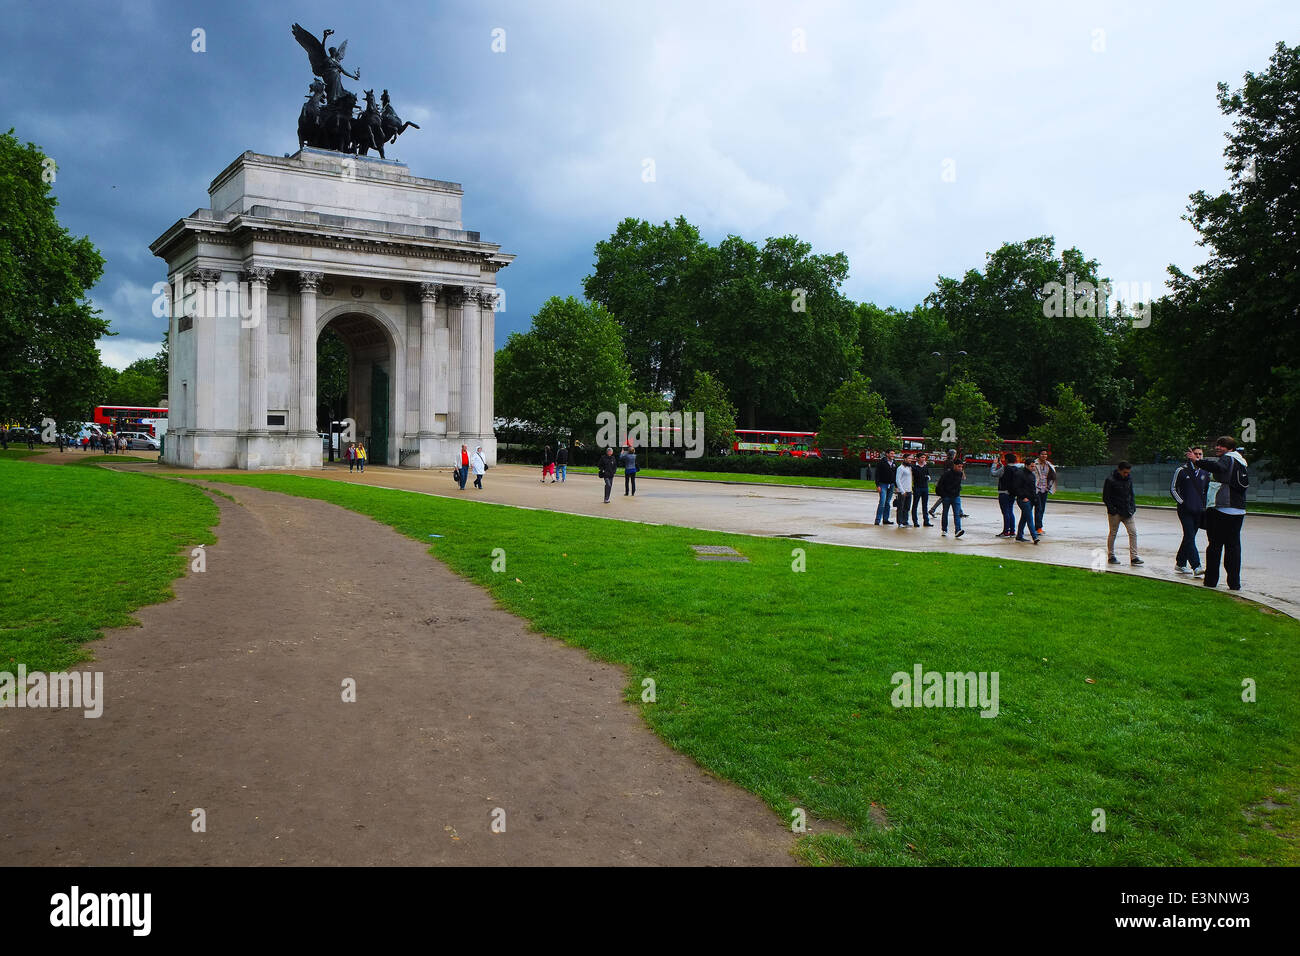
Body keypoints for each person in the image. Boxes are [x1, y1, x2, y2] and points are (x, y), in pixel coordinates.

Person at [1198, 436, 1248, 591]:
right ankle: (1234, 583)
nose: (1218, 448)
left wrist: (1197, 461)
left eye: (1222, 446)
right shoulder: (1241, 461)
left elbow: (1217, 468)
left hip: (1222, 508)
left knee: (1215, 545)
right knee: (1233, 546)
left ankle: (1211, 581)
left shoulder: (1227, 459)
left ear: (1230, 449)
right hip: (1238, 510)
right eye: (1217, 445)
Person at [1171, 445, 1209, 576]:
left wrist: (1205, 506)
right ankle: (1196, 566)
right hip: (1185, 510)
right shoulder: (1181, 470)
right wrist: (1182, 503)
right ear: (1190, 455)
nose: (1198, 456)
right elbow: (1173, 489)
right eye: (1196, 454)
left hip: (1199, 511)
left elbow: (1207, 491)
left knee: (1189, 537)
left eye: (1200, 454)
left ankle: (1180, 563)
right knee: (1189, 536)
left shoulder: (1205, 472)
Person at [1103, 460, 1142, 565]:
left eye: (1128, 472)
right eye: (1124, 472)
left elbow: (1131, 494)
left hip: (1128, 512)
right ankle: (1111, 556)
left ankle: (1134, 557)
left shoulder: (1129, 479)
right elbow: (1106, 497)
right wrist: (1112, 510)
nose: (1126, 474)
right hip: (1115, 513)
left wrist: (1133, 508)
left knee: (1133, 533)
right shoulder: (1110, 480)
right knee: (1113, 533)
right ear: (1119, 470)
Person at [1011, 455, 1040, 544]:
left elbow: (1032, 489)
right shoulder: (1019, 474)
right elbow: (1016, 487)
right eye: (1032, 466)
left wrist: (1035, 499)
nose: (1033, 468)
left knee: (1024, 517)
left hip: (1030, 499)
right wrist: (1023, 497)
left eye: (1034, 466)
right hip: (1023, 500)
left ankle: (1019, 535)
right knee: (1029, 518)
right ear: (1026, 465)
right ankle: (1034, 536)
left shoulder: (1032, 475)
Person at [935, 459, 966, 537]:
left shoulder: (960, 473)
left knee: (957, 514)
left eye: (961, 467)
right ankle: (944, 529)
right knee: (945, 513)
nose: (960, 468)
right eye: (959, 466)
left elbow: (962, 479)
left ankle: (958, 530)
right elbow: (940, 484)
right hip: (947, 496)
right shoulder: (947, 474)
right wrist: (943, 495)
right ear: (954, 465)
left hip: (956, 496)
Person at [1030, 449, 1057, 535]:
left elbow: (1052, 476)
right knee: (1038, 508)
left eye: (1045, 454)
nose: (1044, 456)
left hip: (1044, 489)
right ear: (1039, 455)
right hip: (1036, 489)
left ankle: (1038, 527)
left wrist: (1049, 486)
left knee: (1042, 509)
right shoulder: (1034, 464)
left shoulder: (1049, 464)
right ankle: (1038, 528)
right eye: (1042, 454)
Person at [990, 453, 1016, 537]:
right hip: (1012, 493)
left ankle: (1006, 531)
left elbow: (994, 473)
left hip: (1003, 492)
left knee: (1005, 512)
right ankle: (1012, 531)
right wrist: (1001, 465)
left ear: (1007, 460)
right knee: (1010, 511)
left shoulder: (1004, 468)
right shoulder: (1016, 469)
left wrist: (994, 464)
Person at [873, 450, 898, 525]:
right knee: (882, 502)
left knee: (887, 502)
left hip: (891, 485)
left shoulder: (894, 463)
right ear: (887, 454)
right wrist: (877, 485)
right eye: (891, 453)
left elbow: (895, 475)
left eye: (894, 453)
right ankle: (877, 520)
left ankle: (886, 519)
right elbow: (877, 474)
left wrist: (896, 486)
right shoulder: (881, 462)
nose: (893, 455)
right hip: (883, 484)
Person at [910, 453, 933, 527]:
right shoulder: (914, 467)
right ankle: (915, 521)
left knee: (925, 505)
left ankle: (926, 521)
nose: (924, 459)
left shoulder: (925, 466)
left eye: (924, 458)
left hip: (925, 487)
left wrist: (927, 477)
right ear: (917, 458)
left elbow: (928, 475)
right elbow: (912, 477)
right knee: (915, 505)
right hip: (917, 487)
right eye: (922, 457)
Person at [894, 454, 914, 526]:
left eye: (911, 458)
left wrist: (911, 489)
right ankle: (900, 522)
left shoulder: (909, 468)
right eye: (909, 458)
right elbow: (897, 480)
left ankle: (905, 521)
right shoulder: (900, 468)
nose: (910, 460)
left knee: (907, 507)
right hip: (902, 491)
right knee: (900, 507)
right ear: (904, 459)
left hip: (909, 490)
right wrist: (902, 491)